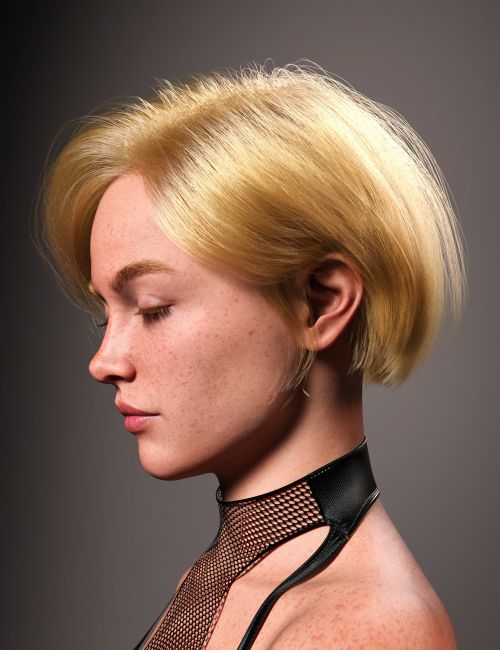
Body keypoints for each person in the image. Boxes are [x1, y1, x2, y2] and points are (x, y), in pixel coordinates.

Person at [34, 61, 466, 649]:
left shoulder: (364, 628)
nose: (104, 361)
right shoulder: (221, 579)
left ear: (320, 302)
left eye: (153, 307)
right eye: (104, 314)